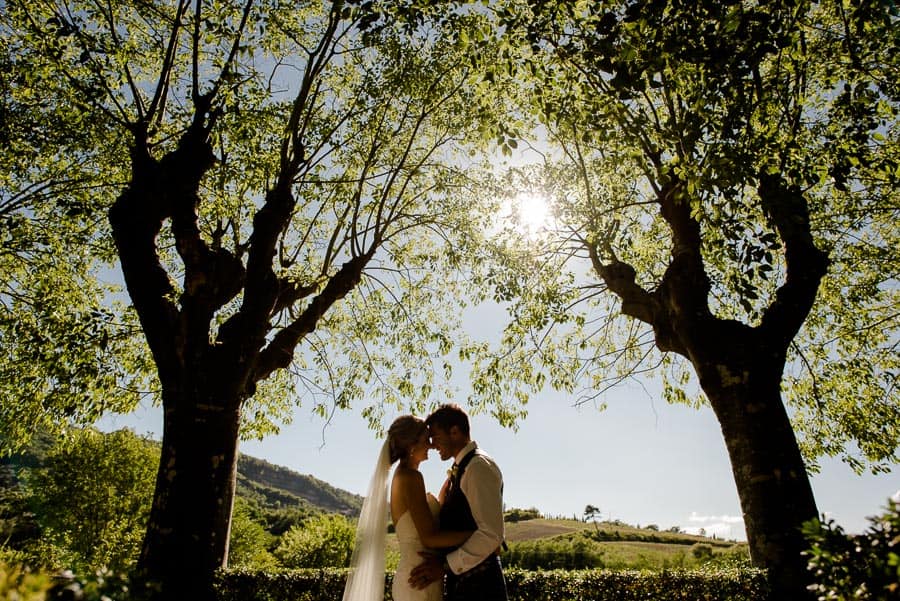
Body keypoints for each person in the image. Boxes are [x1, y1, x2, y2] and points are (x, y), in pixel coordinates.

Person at [341, 415, 471, 601]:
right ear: (412, 445)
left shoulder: (406, 476)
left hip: (422, 577)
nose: (432, 445)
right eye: (426, 439)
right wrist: (476, 535)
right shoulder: (410, 477)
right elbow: (429, 538)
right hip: (418, 580)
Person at [409, 404, 508, 601]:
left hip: (481, 588)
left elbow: (491, 534)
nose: (433, 444)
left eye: (435, 437)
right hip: (466, 585)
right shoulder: (462, 468)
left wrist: (445, 566)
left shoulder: (478, 467)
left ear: (454, 431)